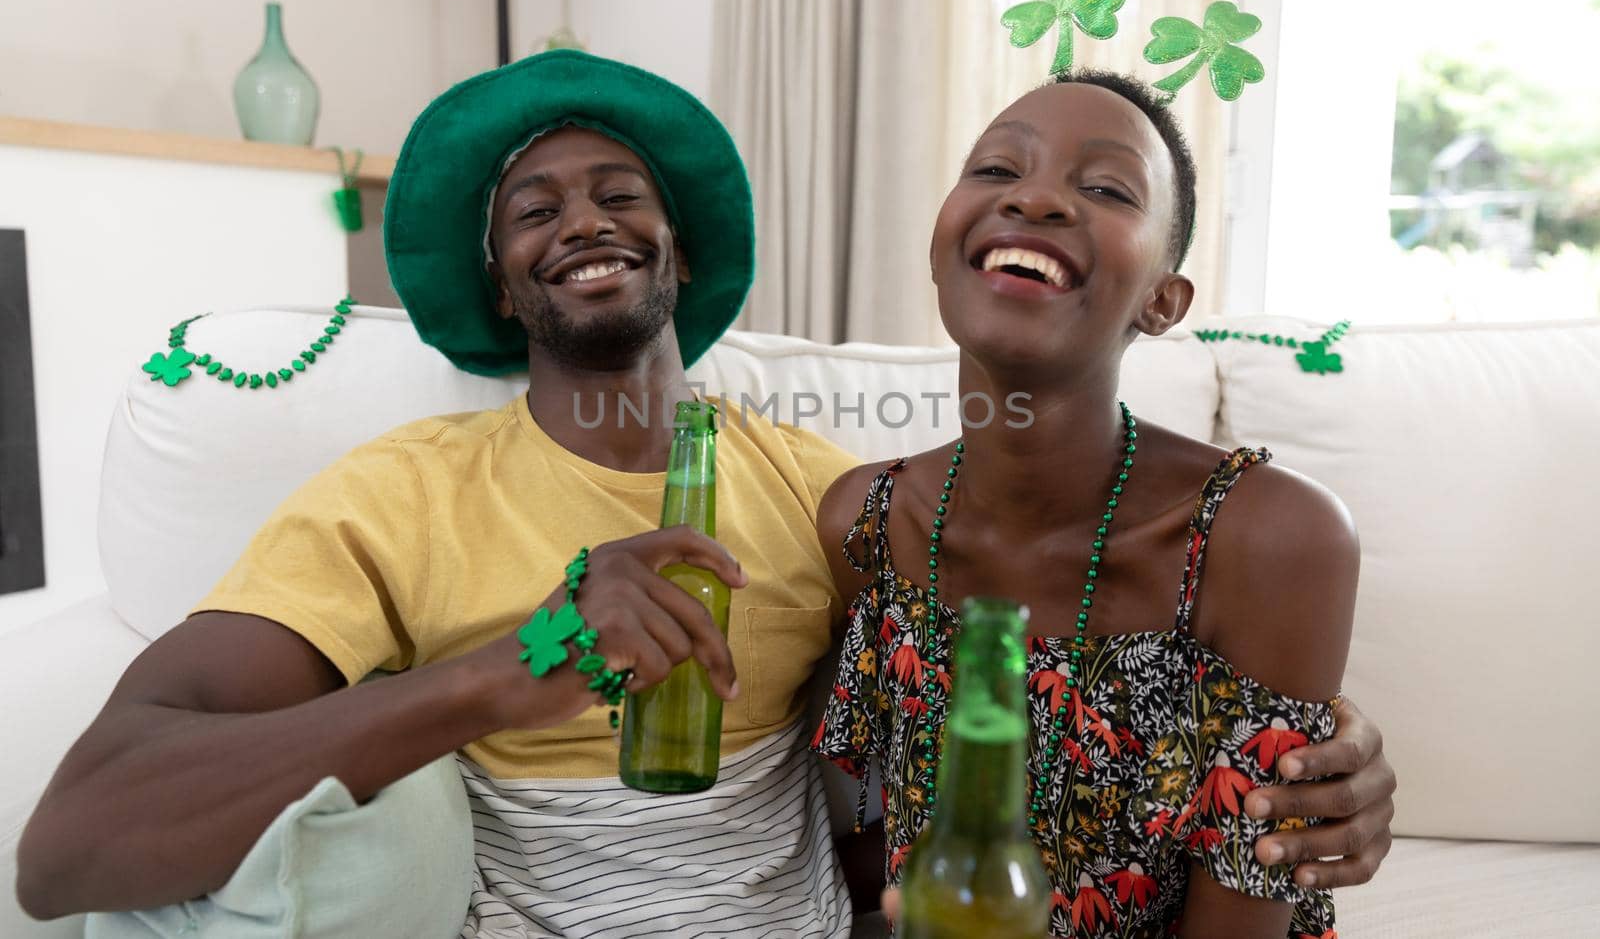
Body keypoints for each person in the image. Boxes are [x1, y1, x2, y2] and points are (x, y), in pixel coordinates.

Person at [17, 52, 1392, 938]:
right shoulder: (393, 497)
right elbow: (67, 845)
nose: (586, 219)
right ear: (500, 280)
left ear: (681, 249)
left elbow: (998, 708)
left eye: (623, 193)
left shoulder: (824, 496)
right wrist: (516, 665)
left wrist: (1321, 765)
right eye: (534, 208)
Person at [813, 70, 1376, 937]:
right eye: (998, 171)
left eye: (1108, 188)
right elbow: (872, 840)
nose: (1035, 197)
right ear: (939, 246)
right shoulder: (865, 521)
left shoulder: (1267, 537)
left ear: (1162, 299)